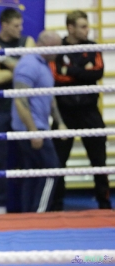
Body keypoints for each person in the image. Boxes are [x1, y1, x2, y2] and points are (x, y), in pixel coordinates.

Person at [49, 10, 112, 210]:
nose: (87, 30)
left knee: (99, 160)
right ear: (71, 27)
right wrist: (83, 72)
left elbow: (98, 72)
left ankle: (104, 204)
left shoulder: (93, 47)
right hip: (64, 113)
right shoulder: (58, 48)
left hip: (89, 111)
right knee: (59, 162)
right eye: (83, 26)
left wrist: (72, 71)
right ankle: (57, 205)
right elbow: (58, 76)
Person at [0, 7, 35, 214]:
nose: (20, 29)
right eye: (16, 25)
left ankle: (27, 203)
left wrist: (3, 60)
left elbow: (28, 71)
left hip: (23, 106)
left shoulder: (28, 41)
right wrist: (20, 67)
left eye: (21, 25)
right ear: (4, 25)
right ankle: (0, 204)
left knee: (27, 156)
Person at [11, 31, 66, 212]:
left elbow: (49, 98)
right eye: (56, 47)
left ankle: (29, 215)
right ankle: (40, 213)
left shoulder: (44, 64)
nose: (59, 51)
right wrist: (33, 130)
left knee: (33, 172)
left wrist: (60, 122)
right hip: (31, 129)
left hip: (37, 127)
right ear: (46, 45)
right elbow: (20, 100)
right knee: (52, 169)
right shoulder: (29, 64)